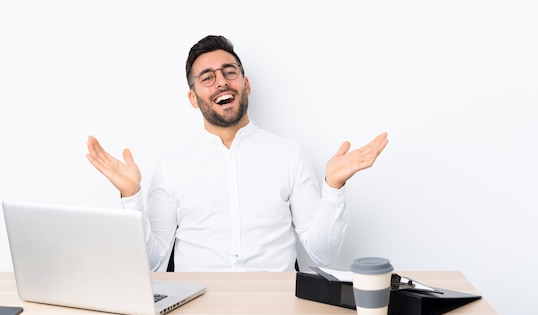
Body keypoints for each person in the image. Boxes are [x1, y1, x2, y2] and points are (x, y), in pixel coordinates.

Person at [86, 35, 388, 272]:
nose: (221, 81)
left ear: (246, 84)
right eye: (207, 77)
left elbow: (322, 254)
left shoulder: (288, 154)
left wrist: (333, 187)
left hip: (277, 308)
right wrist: (130, 195)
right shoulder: (171, 168)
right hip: (197, 309)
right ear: (193, 98)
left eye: (229, 72)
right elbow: (152, 263)